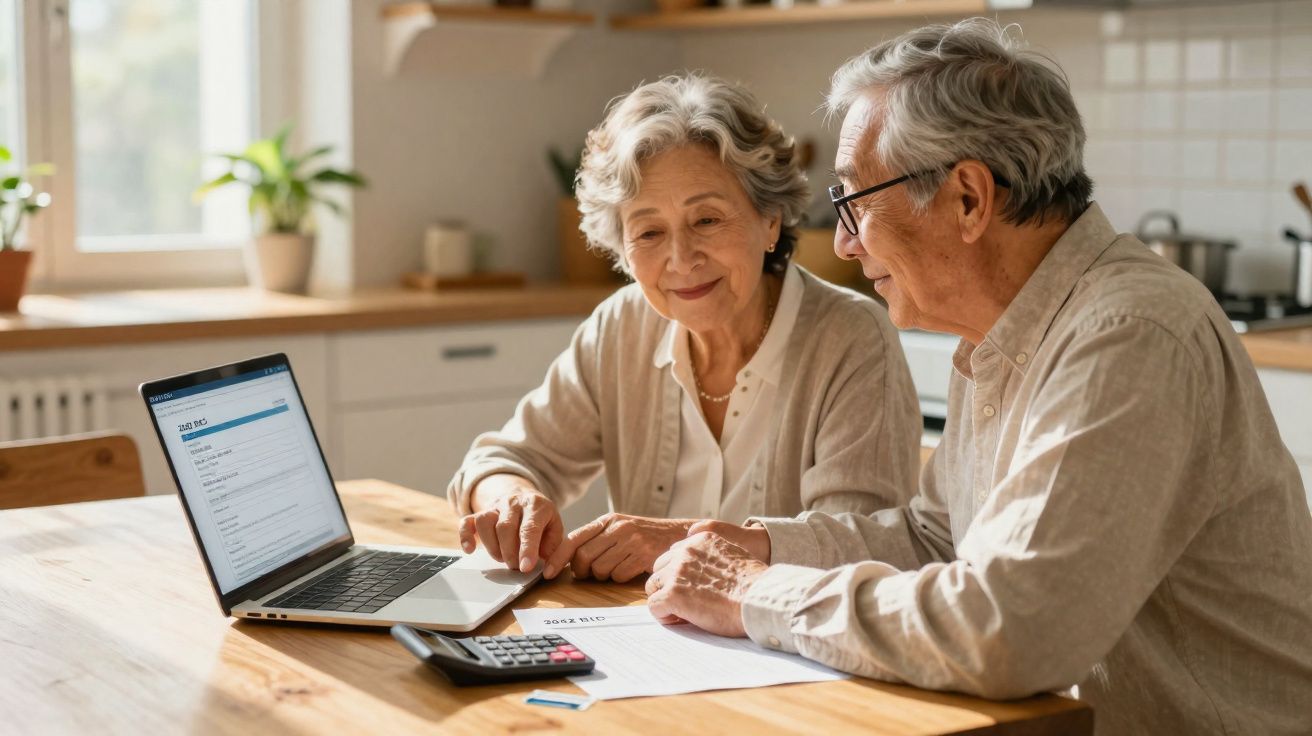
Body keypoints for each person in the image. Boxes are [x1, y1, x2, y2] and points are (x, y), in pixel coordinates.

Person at [645, 20, 1312, 735]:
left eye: (854, 203)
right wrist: (761, 546)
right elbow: (939, 538)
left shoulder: (1128, 335)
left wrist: (757, 592)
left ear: (967, 198)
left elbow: (1014, 630)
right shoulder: (1006, 322)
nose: (842, 241)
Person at [446, 73, 921, 584]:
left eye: (707, 221)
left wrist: (681, 541)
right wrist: (511, 498)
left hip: (789, 649)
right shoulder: (621, 326)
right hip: (643, 642)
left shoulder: (852, 337)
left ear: (770, 221)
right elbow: (503, 458)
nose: (681, 259)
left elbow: (862, 548)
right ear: (622, 251)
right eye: (648, 231)